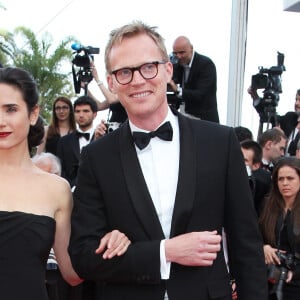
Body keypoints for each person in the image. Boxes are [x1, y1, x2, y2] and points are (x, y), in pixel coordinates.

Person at [69, 21, 267, 300]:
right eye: (125, 72)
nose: (138, 80)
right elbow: (83, 256)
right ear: (112, 81)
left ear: (167, 69)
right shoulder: (97, 157)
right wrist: (165, 252)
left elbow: (247, 246)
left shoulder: (219, 143)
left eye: (148, 67)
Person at [259, 157, 300, 299]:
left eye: (290, 178)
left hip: (295, 282)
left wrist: (294, 273)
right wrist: (264, 247)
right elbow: (254, 235)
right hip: (267, 276)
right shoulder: (267, 204)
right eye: (280, 179)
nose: (285, 183)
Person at [167, 35, 219, 123]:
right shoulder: (177, 65)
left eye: (182, 52)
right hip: (183, 117)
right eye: (175, 53)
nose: (179, 56)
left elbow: (201, 95)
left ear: (191, 48)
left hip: (202, 119)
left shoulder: (206, 65)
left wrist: (177, 90)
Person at [57, 95, 100, 188]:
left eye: (86, 111)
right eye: (77, 111)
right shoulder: (63, 142)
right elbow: (60, 169)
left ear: (95, 114)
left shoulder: (103, 139)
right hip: (71, 193)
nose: (81, 115)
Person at [87, 62, 128, 127]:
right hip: (113, 128)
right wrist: (86, 88)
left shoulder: (125, 91)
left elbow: (112, 100)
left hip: (124, 128)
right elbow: (99, 106)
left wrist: (97, 79)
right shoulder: (113, 95)